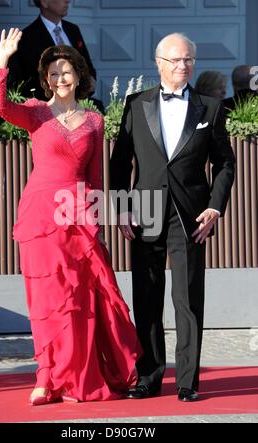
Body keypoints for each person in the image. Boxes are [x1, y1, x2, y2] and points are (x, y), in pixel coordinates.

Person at [0, 28, 140, 405]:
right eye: (53, 74)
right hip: (42, 216)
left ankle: (78, 377)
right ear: (46, 80)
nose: (60, 79)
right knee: (47, 299)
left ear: (79, 74)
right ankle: (45, 378)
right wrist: (2, 60)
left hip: (78, 218)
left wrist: (97, 224)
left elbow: (94, 178)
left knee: (81, 300)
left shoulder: (94, 121)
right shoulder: (35, 112)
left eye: (66, 71)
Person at [110, 33, 235, 402]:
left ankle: (187, 382)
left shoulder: (210, 108)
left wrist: (215, 206)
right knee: (147, 298)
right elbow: (120, 164)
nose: (184, 66)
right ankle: (148, 377)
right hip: (144, 211)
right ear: (159, 63)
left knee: (187, 299)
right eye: (177, 60)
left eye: (189, 60)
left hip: (191, 216)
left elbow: (225, 163)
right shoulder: (136, 104)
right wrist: (120, 207)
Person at [9, 0, 97, 101]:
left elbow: (87, 67)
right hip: (48, 109)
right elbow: (26, 82)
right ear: (44, 2)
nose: (68, 1)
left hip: (80, 103)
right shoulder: (27, 38)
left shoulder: (73, 29)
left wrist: (86, 88)